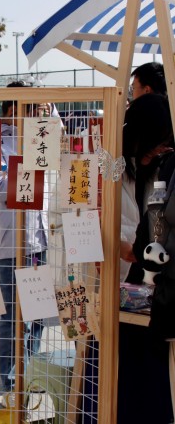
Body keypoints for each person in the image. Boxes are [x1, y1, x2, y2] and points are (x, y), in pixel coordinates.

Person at [0, 81, 47, 394]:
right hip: (9, 241)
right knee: (14, 316)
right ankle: (11, 380)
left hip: (38, 237)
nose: (33, 115)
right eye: (28, 108)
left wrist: (48, 113)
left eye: (35, 109)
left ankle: (31, 373)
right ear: (10, 110)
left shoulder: (38, 138)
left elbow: (60, 140)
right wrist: (27, 178)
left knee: (38, 312)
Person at [115, 61, 174, 424]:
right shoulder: (139, 166)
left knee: (148, 386)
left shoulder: (164, 171)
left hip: (157, 299)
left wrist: (131, 250)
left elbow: (155, 235)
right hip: (138, 295)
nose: (157, 151)